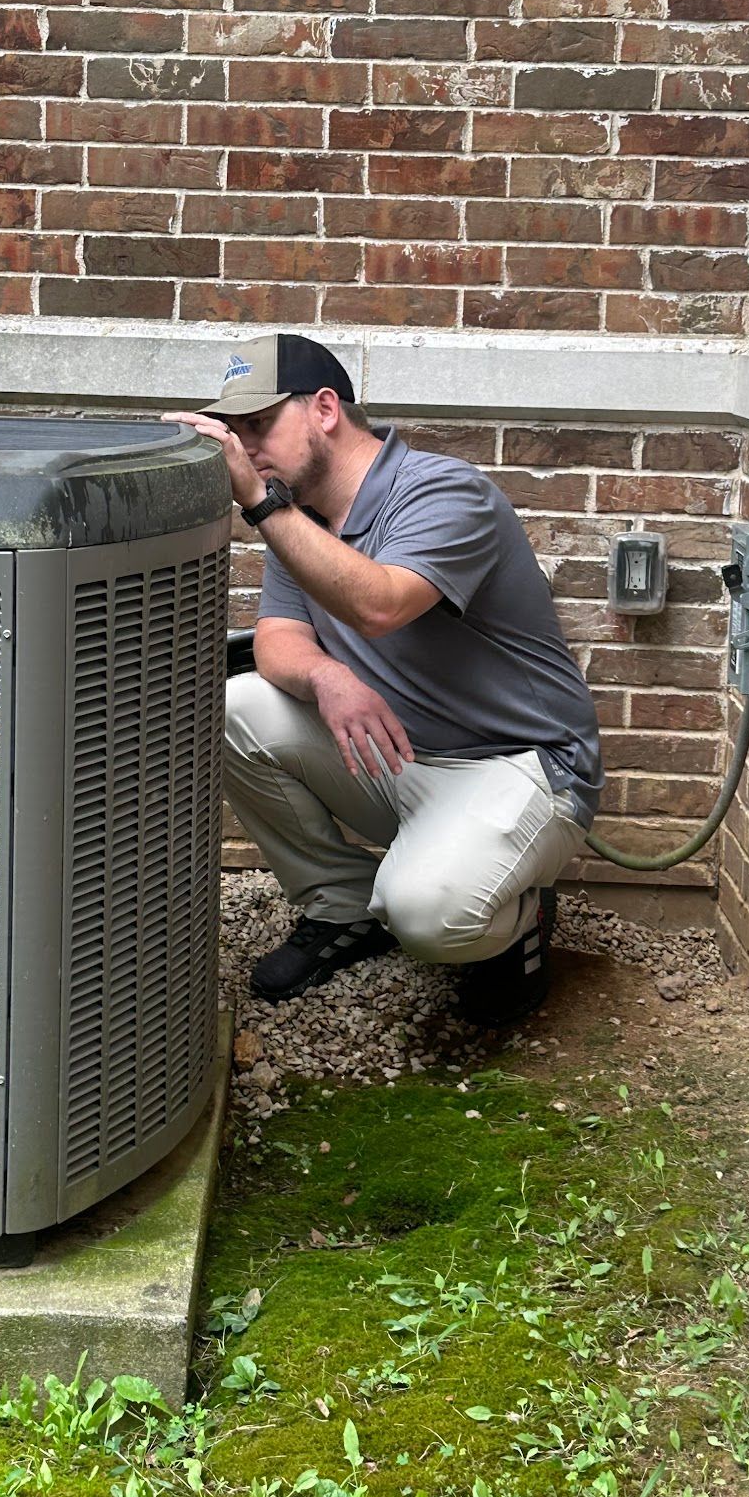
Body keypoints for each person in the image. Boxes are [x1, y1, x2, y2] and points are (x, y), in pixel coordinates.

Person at [165, 331, 603, 1028]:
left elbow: (381, 603)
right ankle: (342, 907)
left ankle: (518, 913)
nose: (245, 449)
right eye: (235, 432)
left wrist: (258, 503)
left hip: (518, 768)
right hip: (399, 756)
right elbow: (280, 640)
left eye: (259, 426)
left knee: (428, 918)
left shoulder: (442, 490)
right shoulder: (298, 515)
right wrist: (327, 677)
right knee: (231, 705)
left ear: (326, 409)